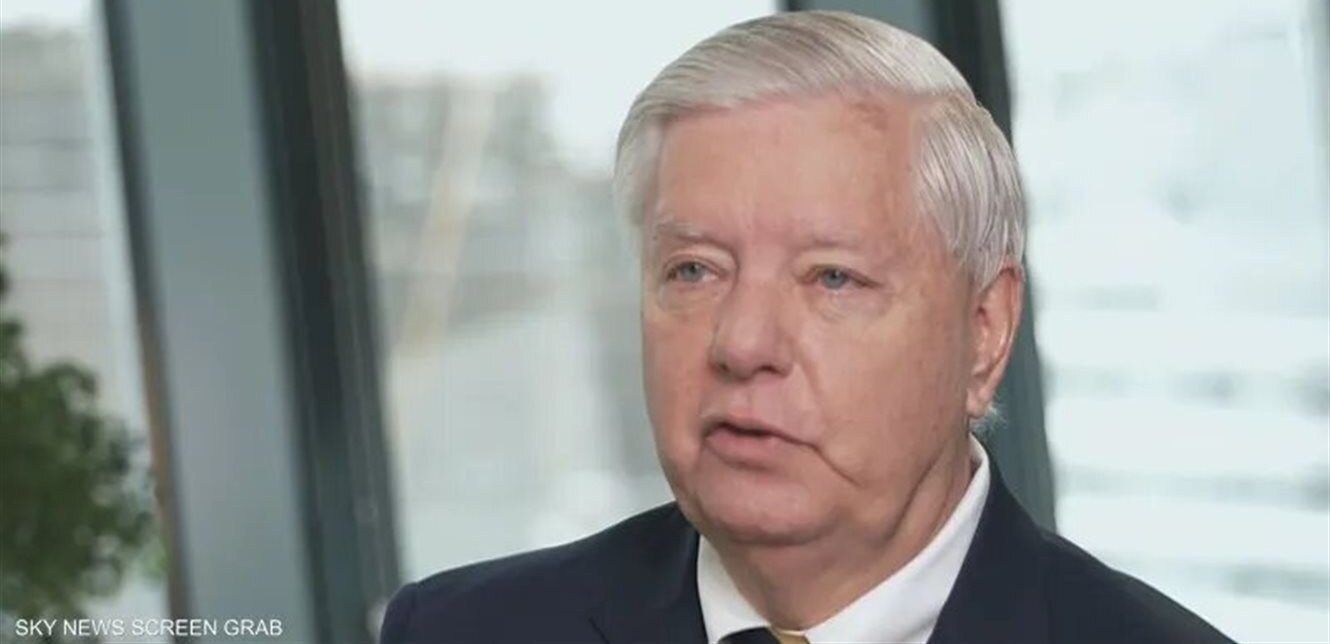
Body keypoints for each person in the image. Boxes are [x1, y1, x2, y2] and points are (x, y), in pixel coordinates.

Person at [379, 11, 1233, 644]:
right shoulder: (459, 630)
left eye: (832, 278)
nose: (742, 344)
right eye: (694, 270)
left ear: (984, 332)